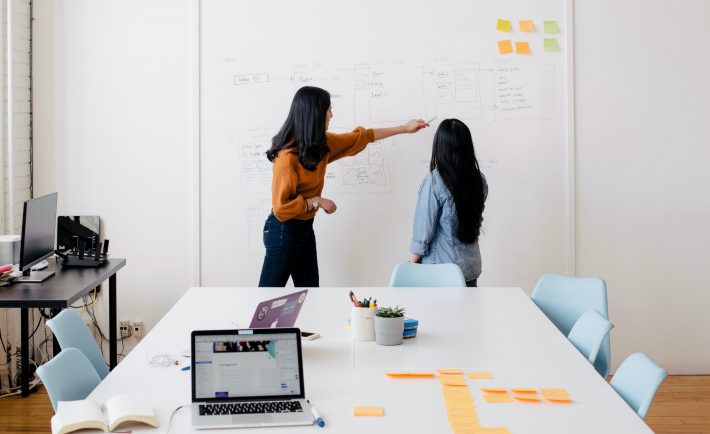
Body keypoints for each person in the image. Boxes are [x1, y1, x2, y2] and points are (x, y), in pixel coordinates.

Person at [259, 86, 427, 287]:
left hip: (304, 228)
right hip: (282, 230)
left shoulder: (320, 145)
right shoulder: (287, 158)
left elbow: (361, 137)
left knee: (310, 295)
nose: (331, 114)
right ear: (314, 113)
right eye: (328, 109)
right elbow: (281, 208)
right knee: (269, 297)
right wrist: (315, 201)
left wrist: (404, 129)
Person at [409, 119, 487, 287]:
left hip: (440, 272)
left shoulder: (434, 181)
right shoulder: (479, 180)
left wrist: (409, 266)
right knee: (466, 313)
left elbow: (423, 232)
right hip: (470, 269)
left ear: (440, 146)